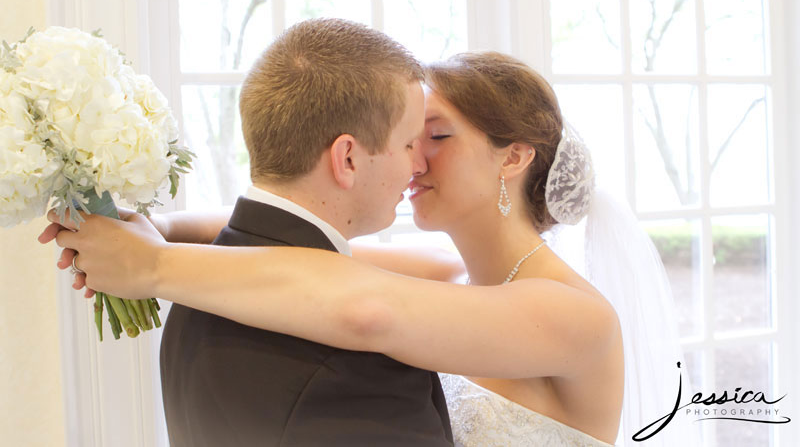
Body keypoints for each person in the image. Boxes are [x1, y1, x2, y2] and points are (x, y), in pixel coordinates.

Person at [44, 52, 695, 446]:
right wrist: (143, 221)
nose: (412, 157)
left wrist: (153, 268)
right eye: (411, 136)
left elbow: (367, 306)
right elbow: (295, 252)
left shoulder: (574, 315)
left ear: (514, 157)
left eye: (434, 135)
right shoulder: (449, 273)